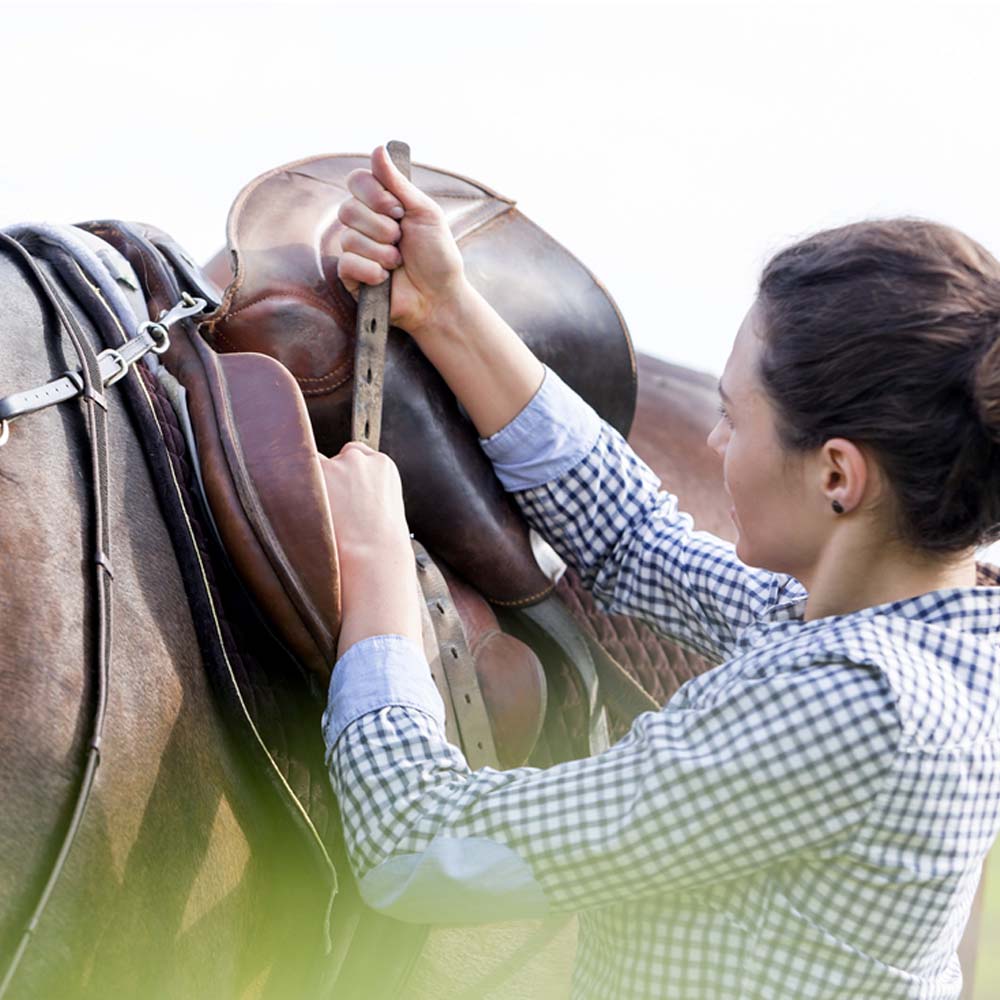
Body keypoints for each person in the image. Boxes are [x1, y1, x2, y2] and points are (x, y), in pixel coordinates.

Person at [318, 146, 1000, 999]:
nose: (715, 442)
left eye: (733, 415)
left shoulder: (857, 699)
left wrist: (378, 567)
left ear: (837, 476)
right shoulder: (924, 633)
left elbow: (423, 848)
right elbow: (636, 540)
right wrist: (447, 309)